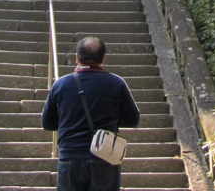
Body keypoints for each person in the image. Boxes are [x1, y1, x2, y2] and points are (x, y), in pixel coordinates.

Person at [41, 36, 140, 191]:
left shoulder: (60, 84)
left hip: (69, 157)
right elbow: (133, 119)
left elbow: (47, 122)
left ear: (77, 58)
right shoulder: (116, 83)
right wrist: (111, 120)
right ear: (103, 58)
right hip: (104, 157)